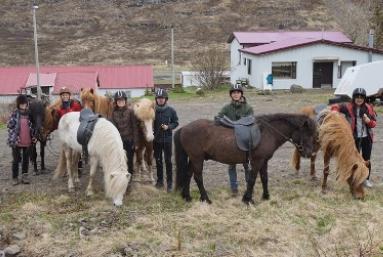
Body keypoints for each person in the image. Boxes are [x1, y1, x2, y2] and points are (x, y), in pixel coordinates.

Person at [331, 87, 377, 188]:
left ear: (364, 98)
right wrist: (334, 111)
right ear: (354, 98)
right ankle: (353, 178)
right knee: (353, 159)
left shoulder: (369, 108)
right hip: (353, 138)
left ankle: (366, 179)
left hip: (366, 138)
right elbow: (335, 106)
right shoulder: (348, 107)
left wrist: (368, 121)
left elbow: (374, 124)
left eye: (361, 97)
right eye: (357, 97)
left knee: (366, 159)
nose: (359, 99)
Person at [217, 84, 254, 196]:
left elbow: (251, 121)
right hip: (231, 140)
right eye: (234, 93)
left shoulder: (248, 108)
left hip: (244, 139)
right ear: (231, 95)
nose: (236, 94)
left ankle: (249, 186)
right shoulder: (226, 108)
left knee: (247, 164)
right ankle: (234, 188)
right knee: (231, 164)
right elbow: (219, 117)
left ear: (241, 94)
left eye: (238, 92)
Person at [7, 95, 36, 185]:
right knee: (16, 160)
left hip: (27, 141)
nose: (23, 105)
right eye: (21, 104)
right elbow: (9, 126)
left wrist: (34, 136)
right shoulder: (15, 113)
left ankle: (24, 176)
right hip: (17, 141)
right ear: (18, 104)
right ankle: (15, 177)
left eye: (25, 103)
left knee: (26, 159)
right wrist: (13, 136)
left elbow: (32, 127)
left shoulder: (29, 114)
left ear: (27, 104)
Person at [153, 88, 179, 192]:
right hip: (156, 140)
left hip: (167, 140)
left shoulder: (171, 110)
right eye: (158, 98)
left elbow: (176, 122)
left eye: (162, 98)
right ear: (156, 99)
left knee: (168, 161)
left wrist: (168, 127)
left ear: (165, 99)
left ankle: (169, 184)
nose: (160, 100)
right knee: (158, 161)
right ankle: (159, 182)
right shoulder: (153, 110)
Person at [111, 90, 138, 174]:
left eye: (122, 100)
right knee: (120, 160)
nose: (121, 102)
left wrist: (136, 142)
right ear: (116, 102)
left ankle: (130, 175)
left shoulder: (130, 112)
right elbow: (114, 129)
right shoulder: (113, 113)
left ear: (125, 101)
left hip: (129, 140)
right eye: (119, 100)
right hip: (119, 141)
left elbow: (135, 127)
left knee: (129, 160)